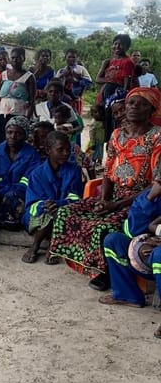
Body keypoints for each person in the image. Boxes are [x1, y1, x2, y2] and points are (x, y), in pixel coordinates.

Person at [49, 87, 161, 290]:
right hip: (113, 196)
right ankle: (88, 266)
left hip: (141, 201)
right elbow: (108, 171)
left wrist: (115, 205)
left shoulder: (157, 137)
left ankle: (105, 272)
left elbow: (155, 185)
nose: (134, 107)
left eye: (142, 104)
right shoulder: (117, 135)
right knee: (66, 212)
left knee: (105, 227)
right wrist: (104, 200)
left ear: (151, 110)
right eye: (131, 103)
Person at [99, 182, 161, 336]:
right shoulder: (149, 195)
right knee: (113, 241)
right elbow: (132, 230)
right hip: (147, 252)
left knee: (159, 255)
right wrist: (150, 197)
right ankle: (128, 295)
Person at [21, 131, 82, 264]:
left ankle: (51, 246)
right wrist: (46, 205)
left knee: (61, 212)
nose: (66, 153)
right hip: (38, 214)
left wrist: (59, 204)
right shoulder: (36, 174)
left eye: (68, 149)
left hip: (63, 211)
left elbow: (75, 197)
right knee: (50, 213)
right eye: (60, 150)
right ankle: (36, 245)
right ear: (48, 150)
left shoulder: (74, 170)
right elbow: (32, 203)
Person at [0, 115, 41, 228]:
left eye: (18, 133)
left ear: (25, 135)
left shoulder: (32, 155)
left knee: (13, 198)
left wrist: (6, 191)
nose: (13, 136)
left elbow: (29, 181)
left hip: (20, 194)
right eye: (9, 132)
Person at [0, 46, 36, 146]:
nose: (15, 60)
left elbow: (32, 101)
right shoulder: (3, 75)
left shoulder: (29, 77)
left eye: (18, 58)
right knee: (0, 144)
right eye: (13, 58)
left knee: (16, 145)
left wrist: (26, 121)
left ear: (24, 59)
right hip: (3, 116)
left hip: (19, 117)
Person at [95, 34, 136, 141]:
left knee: (115, 125)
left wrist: (119, 96)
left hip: (116, 100)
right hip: (105, 99)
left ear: (126, 47)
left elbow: (126, 85)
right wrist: (110, 81)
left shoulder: (127, 62)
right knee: (104, 127)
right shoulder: (110, 62)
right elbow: (98, 79)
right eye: (115, 44)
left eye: (121, 44)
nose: (117, 47)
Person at [55, 49, 92, 115]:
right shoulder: (61, 71)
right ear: (65, 58)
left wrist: (76, 81)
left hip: (76, 100)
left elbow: (89, 84)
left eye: (73, 57)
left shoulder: (81, 69)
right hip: (62, 100)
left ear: (76, 58)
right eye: (69, 57)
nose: (71, 59)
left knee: (76, 119)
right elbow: (54, 85)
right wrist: (62, 75)